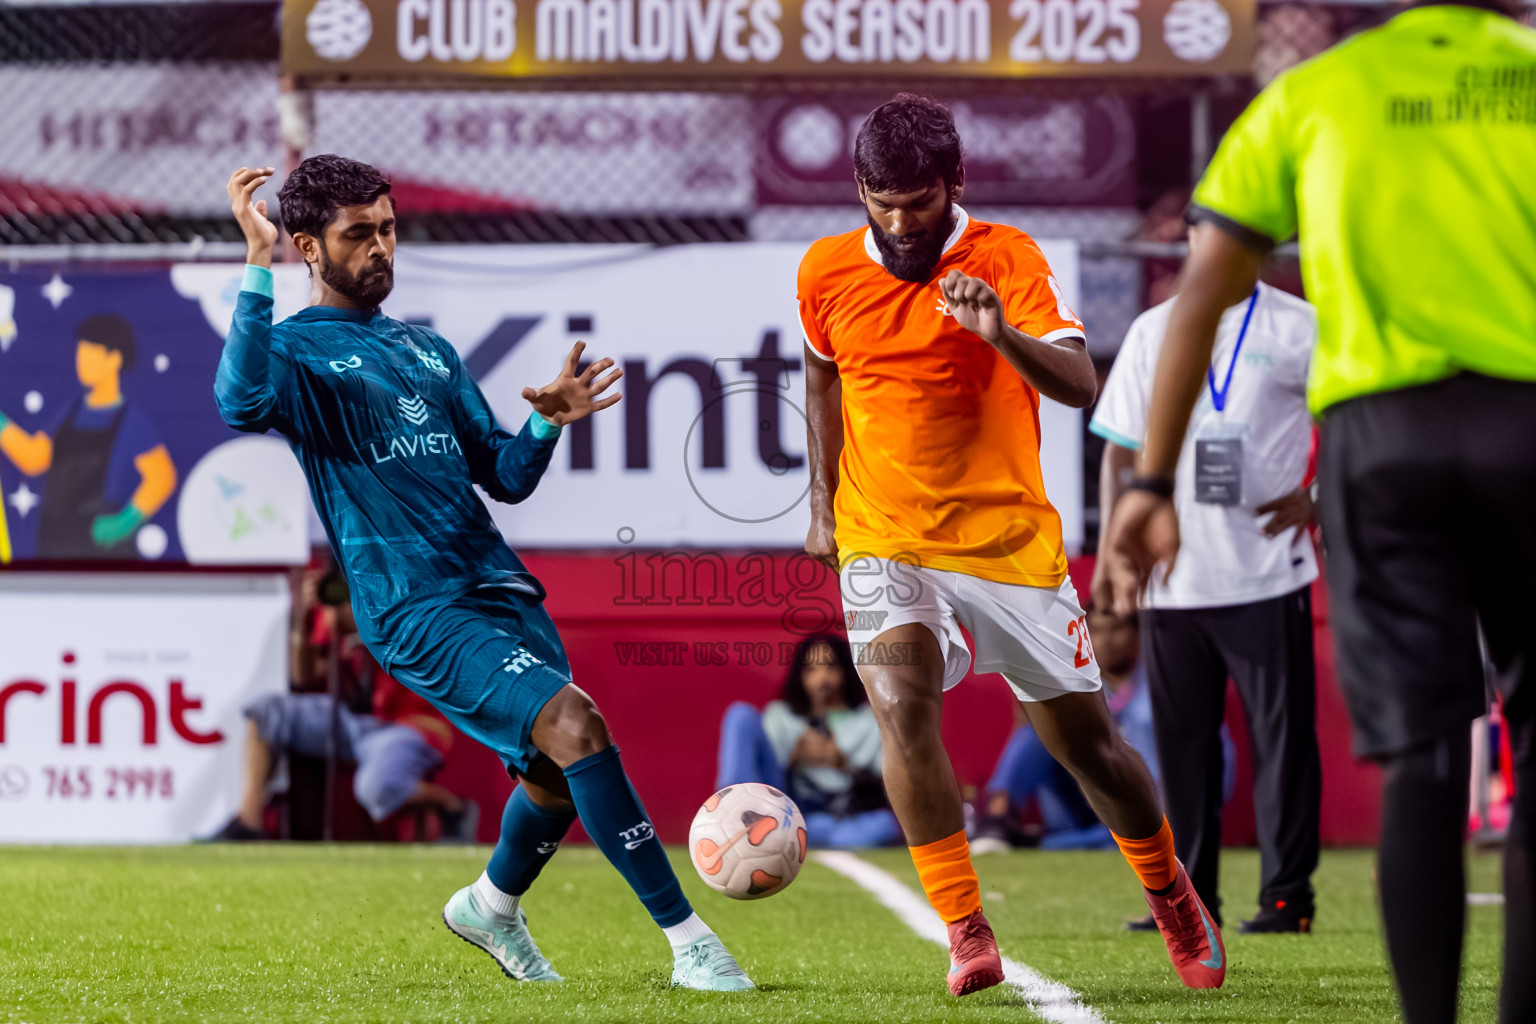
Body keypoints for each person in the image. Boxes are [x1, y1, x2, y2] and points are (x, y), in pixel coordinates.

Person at [215, 156, 752, 991]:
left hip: (498, 590)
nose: (382, 248)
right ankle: (691, 943)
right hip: (413, 604)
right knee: (578, 726)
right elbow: (238, 401)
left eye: (388, 228)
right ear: (308, 249)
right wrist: (254, 262)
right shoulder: (296, 353)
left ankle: (490, 907)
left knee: (554, 772)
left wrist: (545, 424)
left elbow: (504, 474)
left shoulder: (427, 351)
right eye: (359, 235)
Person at [1098, 2, 1536, 1019]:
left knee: (1424, 752)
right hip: (1527, 420)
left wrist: (1151, 485)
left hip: (1386, 441)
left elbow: (1203, 286)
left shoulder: (1314, 92)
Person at [798, 93, 1225, 997]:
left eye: (919, 200)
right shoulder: (824, 271)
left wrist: (1003, 332)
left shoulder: (1008, 256)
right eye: (883, 201)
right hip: (885, 536)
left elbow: (1079, 382)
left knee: (1088, 747)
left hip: (1008, 547)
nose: (901, 220)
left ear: (956, 182)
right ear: (861, 191)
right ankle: (965, 927)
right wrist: (821, 503)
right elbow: (822, 375)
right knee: (901, 707)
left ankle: (1171, 892)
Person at [1091, 239, 1324, 935]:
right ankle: (1191, 903)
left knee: (1283, 743)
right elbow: (1119, 451)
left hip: (1267, 568)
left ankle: (1288, 900)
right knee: (1181, 753)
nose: (1213, 248)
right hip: (1172, 578)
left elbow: (1348, 415)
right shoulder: (1152, 329)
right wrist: (1110, 552)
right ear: (1189, 242)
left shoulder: (1298, 324)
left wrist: (1317, 495)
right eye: (1201, 235)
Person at [206, 568, 477, 842]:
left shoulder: (398, 589)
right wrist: (304, 620)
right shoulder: (336, 611)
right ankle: (249, 824)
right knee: (266, 711)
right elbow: (305, 675)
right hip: (354, 723)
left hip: (411, 724)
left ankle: (452, 806)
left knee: (375, 788)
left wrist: (357, 614)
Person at [973, 609, 1188, 854]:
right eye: (1095, 630)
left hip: (1144, 805)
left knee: (1130, 833)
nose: (1105, 639)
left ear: (1137, 633)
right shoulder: (1078, 684)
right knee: (1038, 730)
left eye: (1116, 629)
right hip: (1081, 803)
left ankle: (1033, 844)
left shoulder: (1160, 687)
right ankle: (996, 820)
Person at [0, 314, 177, 557]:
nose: (81, 362)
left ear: (114, 359)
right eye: (80, 354)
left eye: (90, 354)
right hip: (54, 543)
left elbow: (161, 477)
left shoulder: (132, 421)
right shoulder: (68, 412)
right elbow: (35, 459)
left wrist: (125, 522)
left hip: (103, 551)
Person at [716, 635, 902, 848]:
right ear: (800, 675)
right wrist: (793, 756)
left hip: (837, 815)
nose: (822, 678)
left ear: (847, 671)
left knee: (884, 825)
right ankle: (735, 816)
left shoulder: (869, 721)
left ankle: (793, 836)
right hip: (783, 807)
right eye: (811, 670)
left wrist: (843, 763)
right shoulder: (780, 715)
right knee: (740, 715)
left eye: (831, 667)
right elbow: (765, 776)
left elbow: (890, 789)